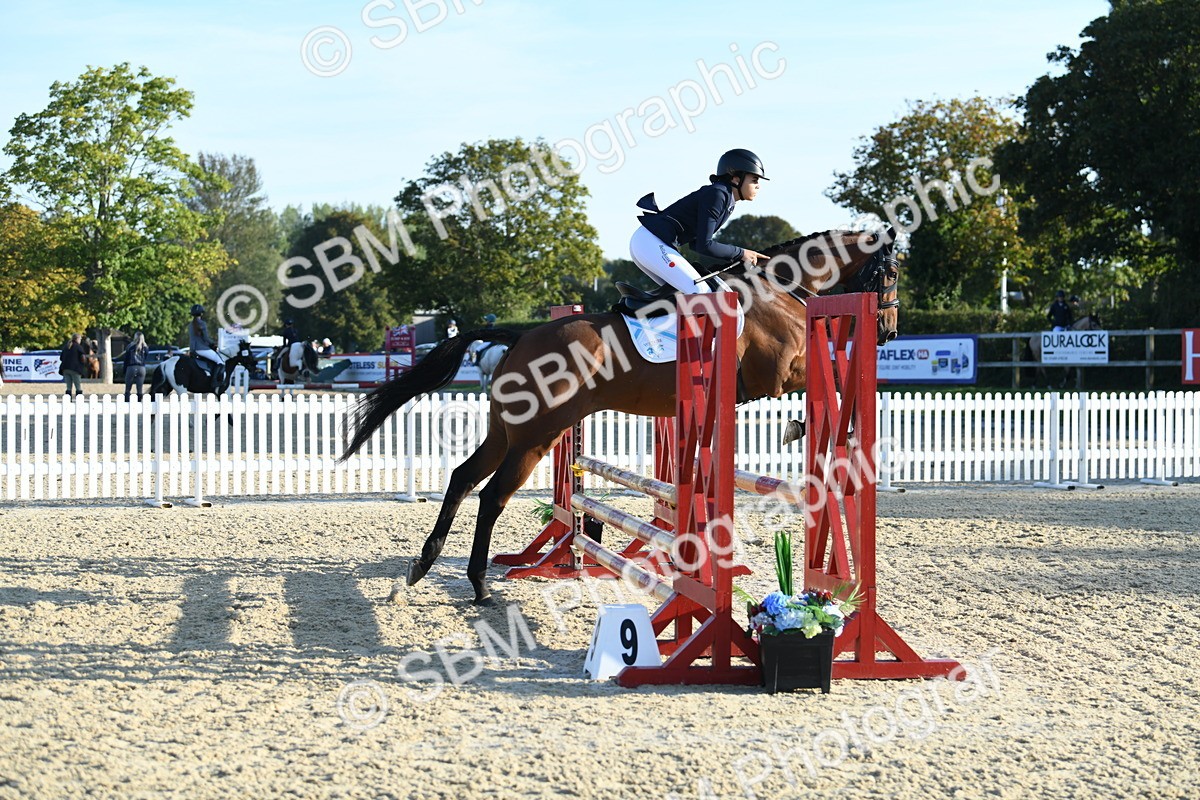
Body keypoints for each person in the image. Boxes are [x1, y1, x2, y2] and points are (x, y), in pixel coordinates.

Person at [630, 148, 769, 294]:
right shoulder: (719, 194)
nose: (758, 185)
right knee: (702, 292)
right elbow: (704, 245)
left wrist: (738, 255)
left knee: (678, 294)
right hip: (651, 243)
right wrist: (740, 253)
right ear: (735, 178)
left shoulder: (727, 199)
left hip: (647, 242)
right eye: (754, 180)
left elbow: (696, 244)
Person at [188, 304, 225, 388]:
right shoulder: (202, 323)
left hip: (193, 349)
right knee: (220, 362)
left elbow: (193, 339)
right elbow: (206, 338)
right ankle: (214, 381)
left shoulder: (190, 325)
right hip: (202, 349)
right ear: (201, 314)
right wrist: (213, 343)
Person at [123, 331, 148, 401]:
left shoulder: (130, 346)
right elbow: (145, 357)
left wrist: (124, 370)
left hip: (131, 367)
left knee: (128, 388)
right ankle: (139, 402)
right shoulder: (145, 348)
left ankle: (127, 402)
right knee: (139, 388)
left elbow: (126, 359)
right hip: (141, 368)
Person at [59, 333, 85, 399]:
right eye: (80, 339)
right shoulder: (78, 347)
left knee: (68, 387)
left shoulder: (66, 346)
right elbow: (83, 358)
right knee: (78, 386)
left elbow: (61, 358)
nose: (80, 340)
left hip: (65, 369)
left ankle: (68, 400)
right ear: (77, 339)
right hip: (75, 369)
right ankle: (79, 400)